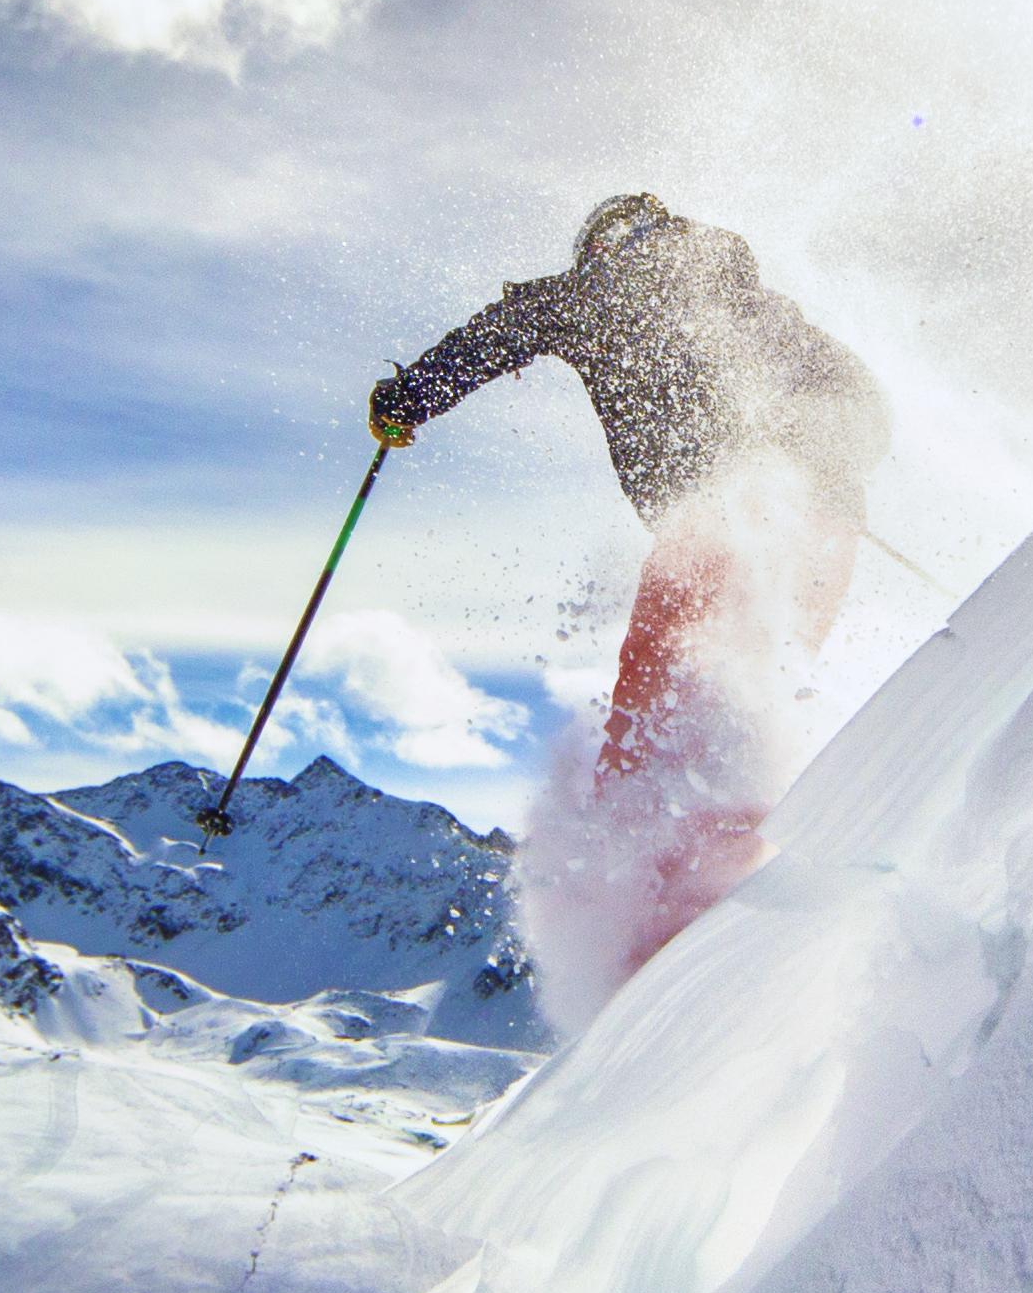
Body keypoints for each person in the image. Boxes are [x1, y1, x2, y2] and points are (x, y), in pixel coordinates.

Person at [369, 193, 889, 979]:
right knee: (750, 693)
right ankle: (745, 877)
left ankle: (658, 934)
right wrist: (820, 456)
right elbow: (861, 400)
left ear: (605, 245)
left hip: (723, 517)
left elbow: (503, 330)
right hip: (823, 530)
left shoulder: (600, 289)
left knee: (658, 706)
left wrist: (408, 398)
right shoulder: (749, 296)